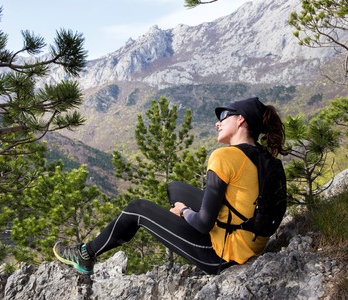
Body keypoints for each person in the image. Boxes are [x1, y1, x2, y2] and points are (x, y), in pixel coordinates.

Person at [53, 97, 287, 275]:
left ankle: (86, 254)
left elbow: (205, 224)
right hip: (250, 242)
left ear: (241, 119)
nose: (218, 123)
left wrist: (184, 213)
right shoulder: (263, 158)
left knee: (137, 208)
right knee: (175, 189)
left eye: (224, 115)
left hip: (223, 257)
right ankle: (182, 217)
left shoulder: (224, 157)